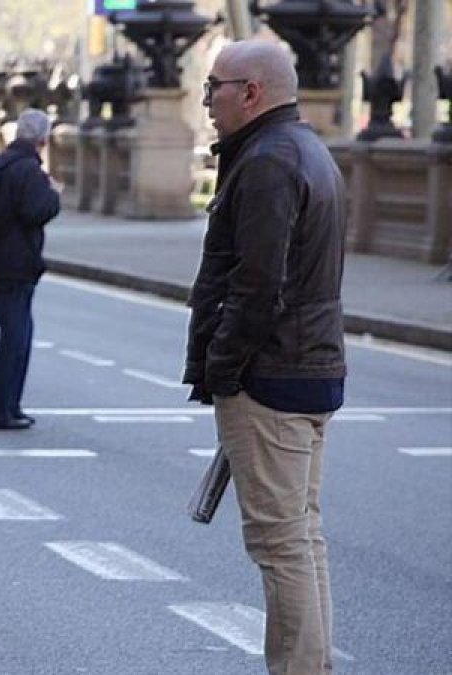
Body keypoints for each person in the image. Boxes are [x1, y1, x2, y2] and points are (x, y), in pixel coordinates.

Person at [185, 39, 347, 675]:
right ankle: (313, 664)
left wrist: (223, 370)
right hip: (310, 368)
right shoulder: (307, 150)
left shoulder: (268, 162)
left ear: (250, 92)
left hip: (272, 378)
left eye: (213, 88)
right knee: (301, 538)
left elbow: (257, 284)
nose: (206, 102)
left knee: (281, 545)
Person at [0, 108, 61, 430]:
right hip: (16, 264)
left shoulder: (1, 162)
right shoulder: (28, 170)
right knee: (16, 337)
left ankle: (9, 406)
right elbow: (35, 211)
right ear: (43, 139)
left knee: (16, 334)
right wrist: (54, 195)